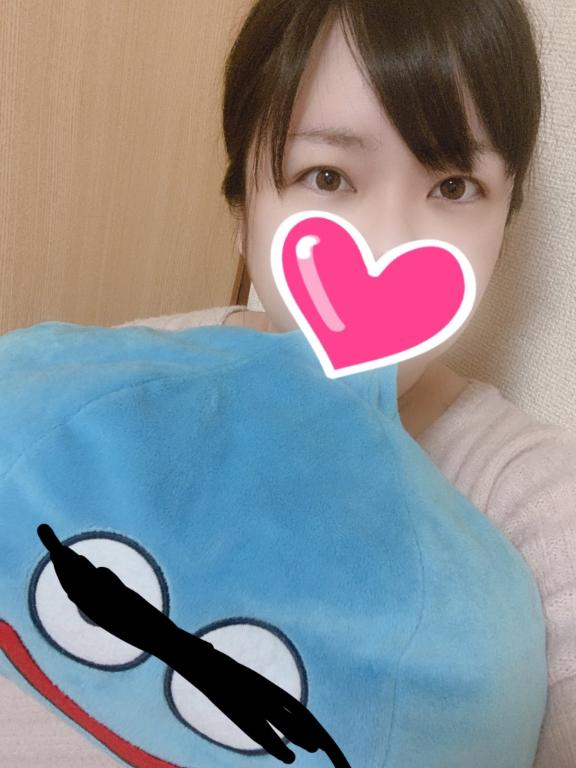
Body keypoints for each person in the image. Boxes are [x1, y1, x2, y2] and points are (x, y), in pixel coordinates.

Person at [119, 1, 576, 765]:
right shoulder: (122, 386)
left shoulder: (525, 494)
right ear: (242, 207)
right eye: (326, 176)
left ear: (506, 224)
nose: (388, 244)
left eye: (454, 186)